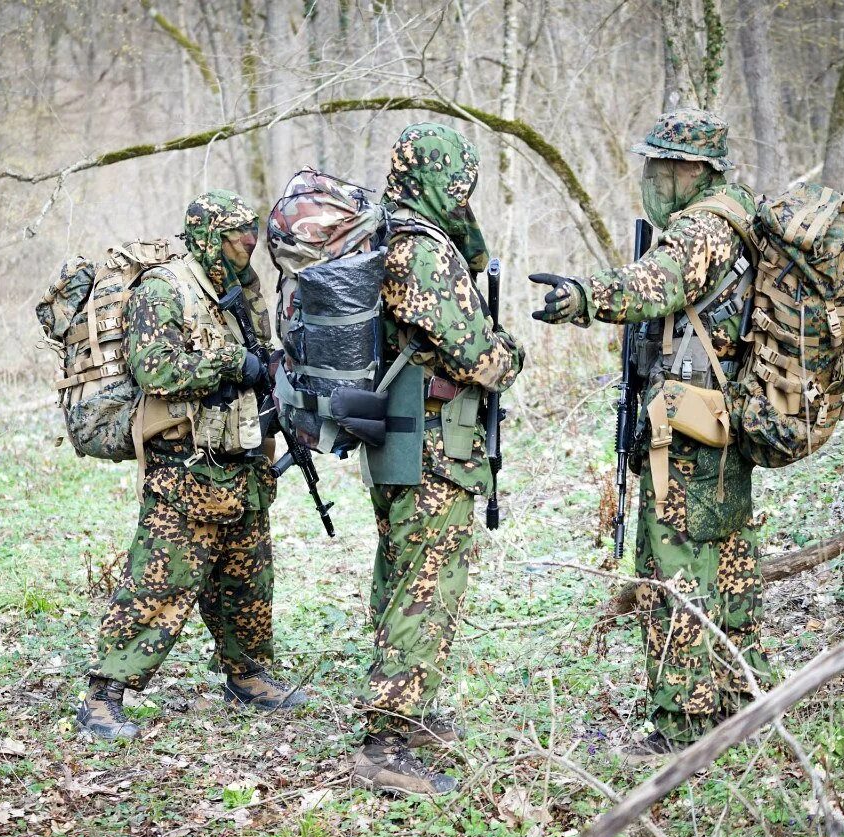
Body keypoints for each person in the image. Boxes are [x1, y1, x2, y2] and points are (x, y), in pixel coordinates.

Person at [531, 109, 773, 762]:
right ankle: (736, 698)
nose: (652, 178)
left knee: (675, 569)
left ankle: (683, 725)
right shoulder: (739, 215)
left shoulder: (700, 229)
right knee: (725, 556)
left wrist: (583, 297)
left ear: (691, 170)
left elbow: (651, 285)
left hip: (691, 428)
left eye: (661, 166)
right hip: (723, 418)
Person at [76, 190, 307, 741]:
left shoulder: (242, 288)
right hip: (184, 467)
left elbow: (260, 356)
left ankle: (247, 675)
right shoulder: (163, 290)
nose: (248, 247)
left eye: (251, 237)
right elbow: (156, 369)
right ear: (208, 238)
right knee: (159, 585)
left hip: (242, 459)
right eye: (236, 238)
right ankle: (104, 696)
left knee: (247, 580)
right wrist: (234, 363)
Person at [352, 123, 525, 794]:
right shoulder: (421, 252)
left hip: (402, 438)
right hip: (430, 446)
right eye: (459, 183)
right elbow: (480, 356)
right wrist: (511, 351)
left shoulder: (388, 233)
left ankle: (405, 705)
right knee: (425, 584)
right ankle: (385, 742)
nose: (464, 194)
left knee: (402, 571)